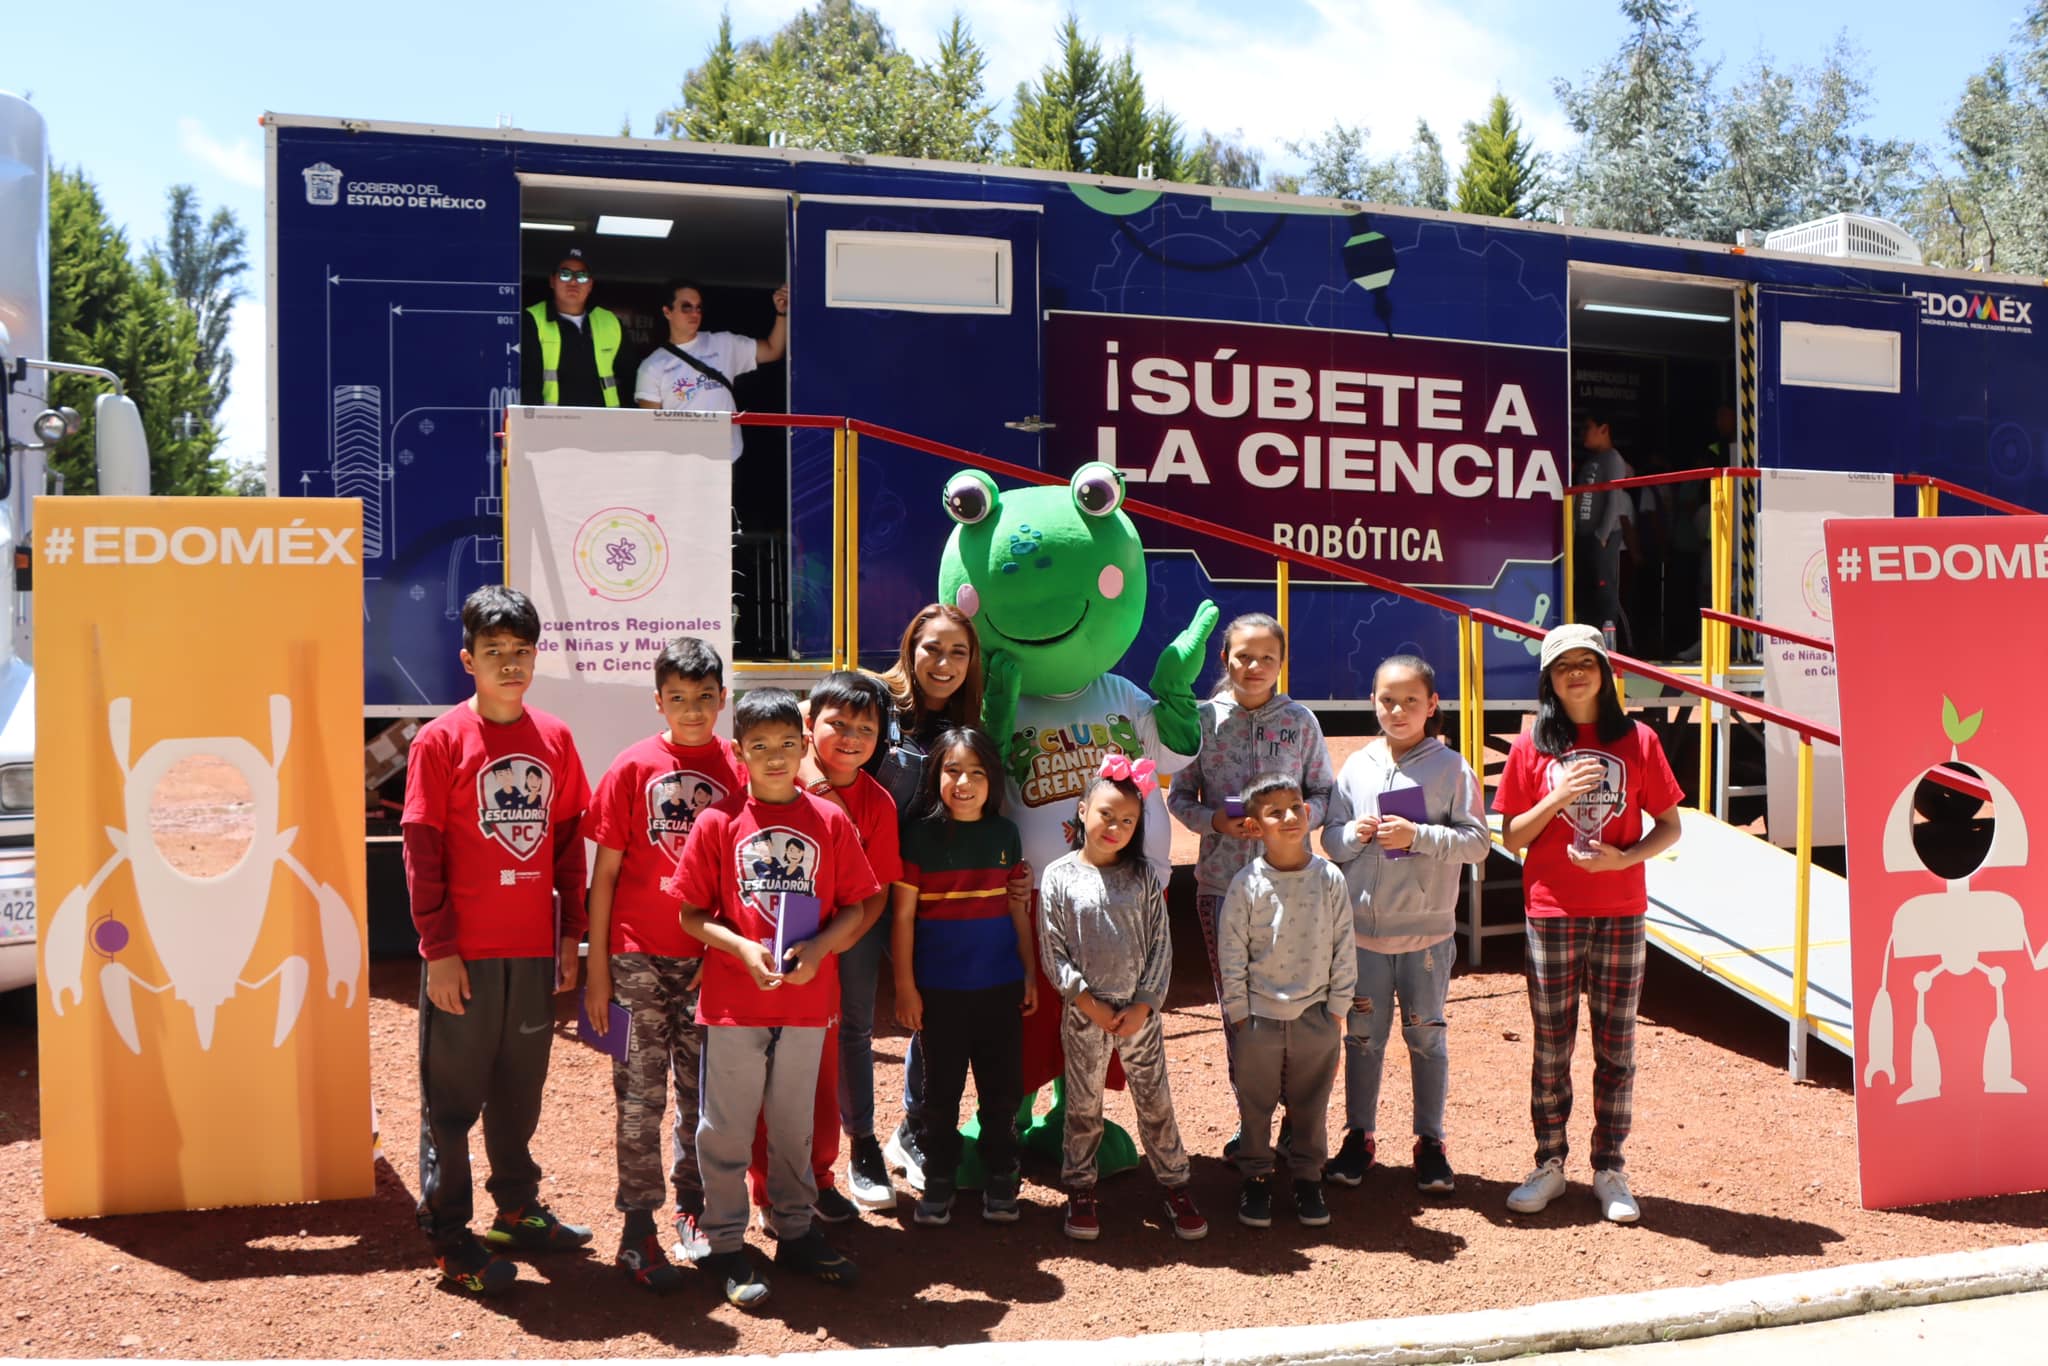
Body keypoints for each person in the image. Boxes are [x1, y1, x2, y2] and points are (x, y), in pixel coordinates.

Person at [403, 585, 593, 1297]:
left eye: (521, 653)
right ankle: (451, 1234)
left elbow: (570, 843)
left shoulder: (556, 739)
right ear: (468, 660)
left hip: (532, 950)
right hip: (465, 955)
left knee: (520, 1089)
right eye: (494, 654)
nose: (510, 666)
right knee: (451, 1102)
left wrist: (571, 934)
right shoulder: (440, 740)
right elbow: (421, 851)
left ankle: (515, 1206)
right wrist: (438, 948)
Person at [673, 687, 879, 1309]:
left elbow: (861, 906)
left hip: (806, 1004)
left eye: (788, 745)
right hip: (736, 1004)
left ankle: (794, 1230)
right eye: (759, 747)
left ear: (804, 746)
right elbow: (690, 915)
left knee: (793, 1124)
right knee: (728, 1127)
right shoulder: (718, 822)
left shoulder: (829, 820)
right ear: (739, 753)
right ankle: (727, 1241)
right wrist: (739, 947)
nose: (775, 757)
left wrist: (818, 952)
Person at [1495, 624, 1683, 1224]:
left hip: (1622, 910)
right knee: (1553, 1047)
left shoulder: (1641, 740)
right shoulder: (1531, 746)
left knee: (1616, 1046)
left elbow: (1671, 826)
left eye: (1587, 662)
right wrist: (1556, 797)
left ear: (1605, 673)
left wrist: (1625, 858)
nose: (1576, 673)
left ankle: (1610, 1169)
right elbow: (1512, 836)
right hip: (1552, 910)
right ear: (1548, 678)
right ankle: (1550, 1163)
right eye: (1563, 665)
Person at [583, 636, 744, 1290]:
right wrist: (598, 968)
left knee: (702, 1095)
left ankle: (693, 1209)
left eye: (705, 698)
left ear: (722, 700)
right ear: (658, 701)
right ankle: (636, 1228)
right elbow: (606, 875)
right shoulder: (631, 768)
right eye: (678, 698)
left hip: (711, 959)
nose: (693, 710)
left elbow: (744, 871)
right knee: (639, 1093)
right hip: (634, 959)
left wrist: (724, 947)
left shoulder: (738, 768)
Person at [1321, 654, 1489, 1194]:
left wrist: (1417, 836)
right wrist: (1354, 836)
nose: (1397, 710)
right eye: (1387, 700)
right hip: (1364, 938)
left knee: (1426, 1038)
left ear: (1432, 705)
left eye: (1410, 701)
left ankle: (1431, 1142)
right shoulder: (1357, 766)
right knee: (1362, 1038)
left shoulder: (1451, 768)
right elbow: (1330, 837)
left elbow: (1478, 842)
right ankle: (1358, 1136)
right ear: (1373, 701)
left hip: (1426, 937)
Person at [1166, 611, 1335, 1135]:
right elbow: (1179, 797)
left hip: (1295, 888)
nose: (1255, 666)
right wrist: (1215, 820)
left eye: (1267, 657)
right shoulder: (1202, 720)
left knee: (1296, 1002)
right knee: (1237, 1009)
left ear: (1281, 665)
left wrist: (1296, 823)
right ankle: (1253, 1121)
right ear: (1225, 659)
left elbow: (1323, 793)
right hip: (1221, 886)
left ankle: (1297, 1123)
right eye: (1244, 656)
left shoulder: (1300, 722)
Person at [747, 672, 902, 1223]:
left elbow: (878, 891)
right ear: (810, 724)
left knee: (829, 1060)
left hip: (841, 948)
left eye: (866, 728)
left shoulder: (877, 803)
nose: (852, 737)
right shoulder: (778, 779)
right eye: (838, 724)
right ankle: (766, 1187)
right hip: (770, 947)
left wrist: (836, 946)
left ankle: (824, 1171)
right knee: (769, 1064)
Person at [1039, 758, 1207, 1244]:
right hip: (1084, 1012)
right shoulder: (1059, 877)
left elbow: (1160, 945)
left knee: (1155, 1101)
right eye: (1106, 814)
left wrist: (1145, 1004)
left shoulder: (1142, 878)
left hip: (1139, 1015)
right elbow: (1054, 948)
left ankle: (1175, 1183)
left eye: (1127, 821)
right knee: (1083, 1103)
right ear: (1082, 809)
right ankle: (1080, 1187)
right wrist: (1086, 1001)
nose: (1115, 827)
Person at [890, 727, 1036, 1226]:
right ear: (936, 776)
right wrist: (906, 987)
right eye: (953, 770)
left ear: (993, 780)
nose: (965, 782)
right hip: (939, 993)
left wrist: (1030, 974)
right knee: (940, 1094)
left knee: (1001, 1091)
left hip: (1000, 986)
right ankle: (940, 1179)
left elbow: (1018, 911)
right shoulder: (918, 838)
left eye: (977, 772)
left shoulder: (1005, 834)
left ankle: (1001, 1178)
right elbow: (904, 918)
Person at [870, 603, 986, 1192]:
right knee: (839, 1024)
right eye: (932, 648)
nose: (943, 663)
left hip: (921, 896)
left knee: (932, 1018)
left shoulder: (968, 728)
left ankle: (914, 1131)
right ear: (910, 647)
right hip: (856, 891)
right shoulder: (876, 704)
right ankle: (849, 1149)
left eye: (958, 652)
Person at [1217, 772, 1353, 1230]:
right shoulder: (1246, 883)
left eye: (1295, 807)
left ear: (1309, 812)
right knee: (1255, 1104)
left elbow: (1343, 946)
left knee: (1310, 1104)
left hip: (1316, 1015)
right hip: (1258, 1018)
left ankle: (1307, 1177)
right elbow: (1231, 951)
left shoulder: (1330, 878)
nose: (1289, 817)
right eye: (1275, 812)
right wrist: (1238, 1012)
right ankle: (1256, 1176)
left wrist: (1337, 1008)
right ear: (1255, 827)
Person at [634, 277, 789, 460]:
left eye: (698, 307)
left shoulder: (723, 343)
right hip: (680, 463)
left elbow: (773, 350)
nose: (694, 313)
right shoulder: (652, 365)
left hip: (725, 458)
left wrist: (782, 313)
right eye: (686, 307)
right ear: (667, 312)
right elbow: (651, 428)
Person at [520, 246, 624, 408]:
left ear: (590, 284)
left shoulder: (609, 321)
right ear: (552, 281)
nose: (574, 282)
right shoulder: (531, 320)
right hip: (552, 424)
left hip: (603, 424)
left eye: (582, 276)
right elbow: (528, 383)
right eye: (565, 274)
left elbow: (628, 378)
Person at [1574, 412, 1636, 650]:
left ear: (1604, 429)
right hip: (1583, 537)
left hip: (1603, 538)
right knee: (1585, 593)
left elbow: (1614, 498)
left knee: (1606, 594)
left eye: (1588, 427)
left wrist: (1603, 534)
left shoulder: (1613, 459)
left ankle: (1615, 650)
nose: (1583, 434)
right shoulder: (1590, 462)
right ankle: (1588, 645)